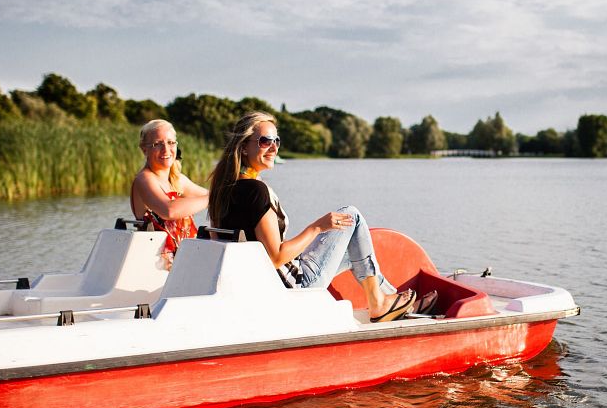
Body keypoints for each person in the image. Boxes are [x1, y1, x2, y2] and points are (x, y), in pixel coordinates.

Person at [207, 111, 416, 322]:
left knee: (354, 250)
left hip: (262, 282)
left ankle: (392, 301)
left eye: (276, 140)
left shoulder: (224, 190)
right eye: (265, 141)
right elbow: (276, 256)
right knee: (352, 216)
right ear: (244, 147)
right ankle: (381, 303)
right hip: (294, 285)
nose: (274, 147)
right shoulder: (255, 191)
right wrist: (317, 227)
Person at [131, 119, 210, 269]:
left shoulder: (177, 179)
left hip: (185, 261)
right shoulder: (144, 179)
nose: (166, 150)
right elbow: (169, 210)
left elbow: (212, 195)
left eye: (171, 143)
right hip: (158, 267)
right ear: (144, 149)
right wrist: (212, 198)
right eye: (157, 144)